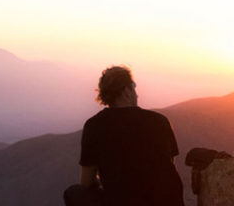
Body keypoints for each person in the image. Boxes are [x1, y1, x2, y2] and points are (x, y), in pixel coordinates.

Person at [64, 66, 184, 206]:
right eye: (134, 87)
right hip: (168, 201)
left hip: (123, 200)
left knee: (73, 193)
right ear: (127, 90)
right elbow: (168, 165)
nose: (137, 94)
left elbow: (86, 182)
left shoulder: (94, 125)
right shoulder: (159, 121)